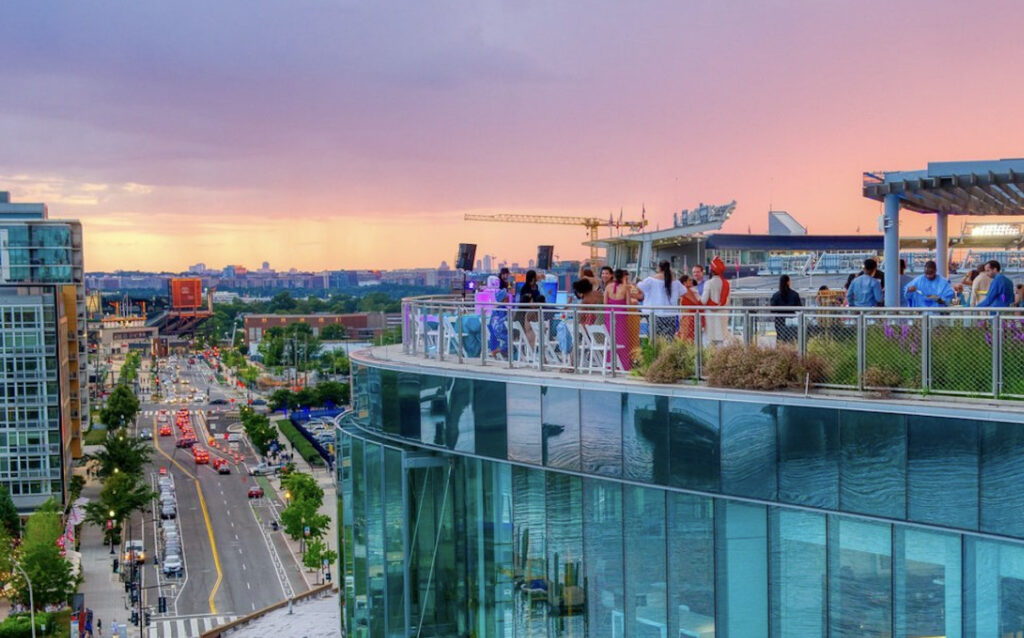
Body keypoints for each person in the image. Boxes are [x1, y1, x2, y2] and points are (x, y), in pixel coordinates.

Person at [638, 260, 685, 338]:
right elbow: (683, 291)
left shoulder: (651, 280)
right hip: (671, 315)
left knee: (654, 340)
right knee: (669, 340)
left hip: (655, 314)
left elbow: (640, 287)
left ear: (659, 268)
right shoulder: (675, 281)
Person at [604, 269, 634, 370]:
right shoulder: (625, 288)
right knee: (622, 339)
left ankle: (610, 364)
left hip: (609, 314)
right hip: (621, 315)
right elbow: (629, 304)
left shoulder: (608, 287)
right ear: (623, 277)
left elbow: (605, 303)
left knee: (610, 339)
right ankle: (623, 365)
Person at [700, 256, 731, 344]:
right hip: (723, 315)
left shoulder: (708, 283)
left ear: (712, 270)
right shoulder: (727, 284)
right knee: (721, 340)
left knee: (709, 342)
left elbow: (703, 301)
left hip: (710, 317)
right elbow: (727, 300)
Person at [770, 274, 802, 342]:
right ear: (788, 282)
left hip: (779, 321)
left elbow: (772, 310)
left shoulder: (776, 295)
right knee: (792, 338)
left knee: (780, 338)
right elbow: (799, 308)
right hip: (792, 320)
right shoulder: (795, 294)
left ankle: (781, 350)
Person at [676, 274, 703, 342]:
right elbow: (696, 302)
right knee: (687, 336)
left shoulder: (688, 290)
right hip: (689, 317)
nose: (692, 281)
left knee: (687, 336)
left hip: (690, 316)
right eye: (689, 280)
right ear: (685, 283)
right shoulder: (686, 290)